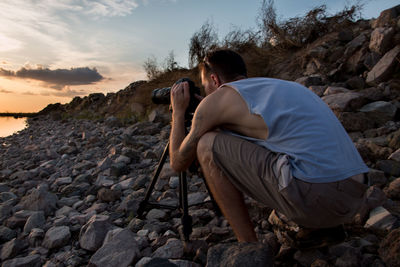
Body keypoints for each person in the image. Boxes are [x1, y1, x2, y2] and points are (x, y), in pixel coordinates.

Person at [168, 49, 369, 244]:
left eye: (205, 86)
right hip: (355, 196)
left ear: (214, 80)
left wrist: (177, 113)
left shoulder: (217, 100)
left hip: (318, 200)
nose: (207, 93)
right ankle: (323, 228)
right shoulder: (279, 88)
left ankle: (247, 244)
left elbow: (178, 162)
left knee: (205, 145)